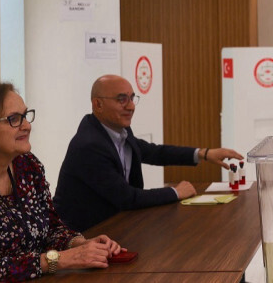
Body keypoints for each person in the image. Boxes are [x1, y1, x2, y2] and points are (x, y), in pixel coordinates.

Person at [53, 75, 244, 232]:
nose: (131, 106)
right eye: (122, 99)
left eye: (132, 98)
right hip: (83, 236)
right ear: (98, 104)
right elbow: (126, 198)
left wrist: (204, 153)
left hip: (114, 227)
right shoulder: (89, 145)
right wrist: (175, 192)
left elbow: (154, 152)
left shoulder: (117, 132)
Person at [0, 82, 124, 282]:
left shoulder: (28, 166)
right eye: (13, 119)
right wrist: (59, 260)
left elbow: (52, 228)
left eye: (26, 115)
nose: (27, 125)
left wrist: (81, 244)